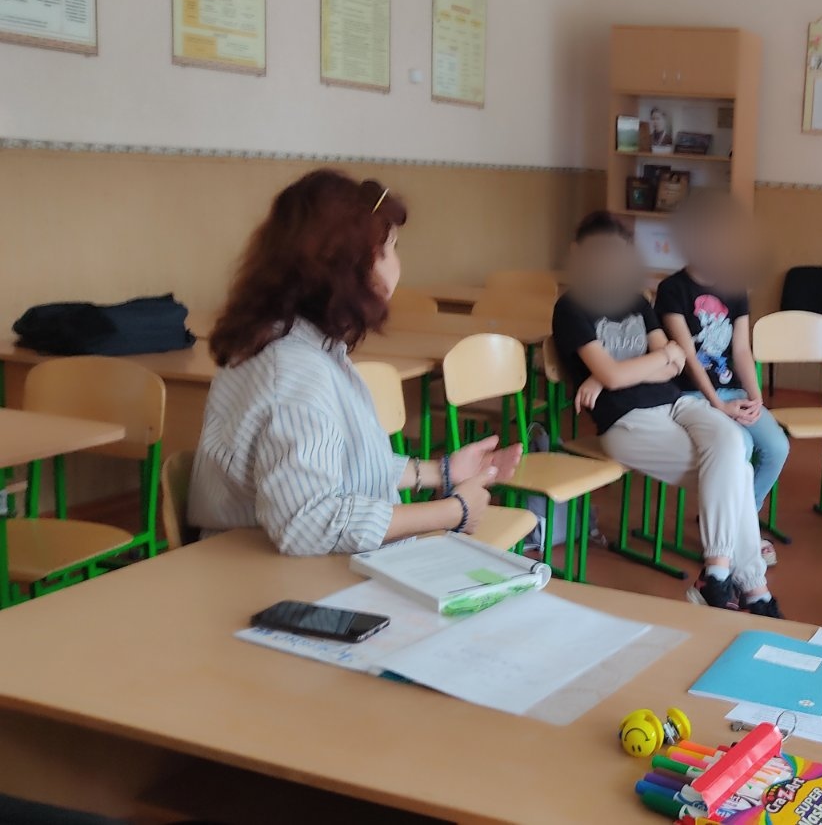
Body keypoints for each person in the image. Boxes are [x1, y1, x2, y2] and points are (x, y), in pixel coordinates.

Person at [191, 170, 522, 555]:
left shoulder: (292, 342)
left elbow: (345, 465)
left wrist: (442, 472)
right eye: (391, 247)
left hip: (284, 563)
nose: (397, 263)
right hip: (270, 574)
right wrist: (453, 511)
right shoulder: (295, 372)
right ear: (351, 267)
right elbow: (307, 523)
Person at [552, 212, 781, 617]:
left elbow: (674, 363)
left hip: (677, 403)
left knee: (732, 442)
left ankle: (717, 575)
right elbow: (628, 369)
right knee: (737, 473)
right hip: (627, 420)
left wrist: (619, 372)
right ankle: (753, 589)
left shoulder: (637, 301)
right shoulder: (571, 308)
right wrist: (619, 374)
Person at [654, 197, 789, 515]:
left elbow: (741, 350)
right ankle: (730, 525)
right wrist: (718, 404)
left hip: (734, 392)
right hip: (692, 396)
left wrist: (755, 398)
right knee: (740, 446)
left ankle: (743, 517)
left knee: (778, 447)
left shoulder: (735, 287)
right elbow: (687, 355)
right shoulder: (672, 289)